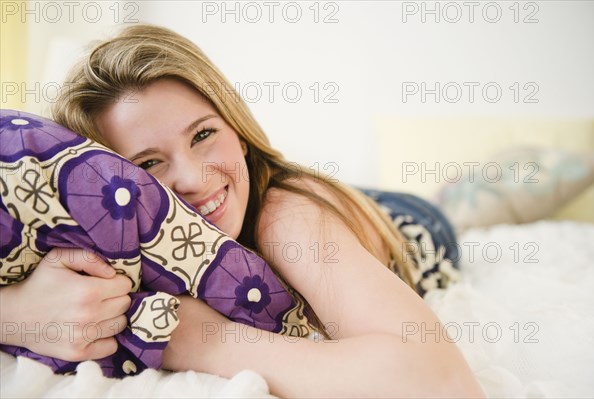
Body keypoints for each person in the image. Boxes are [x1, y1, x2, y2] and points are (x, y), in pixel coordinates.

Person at [0, 24, 484, 397]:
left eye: (204, 133)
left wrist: (206, 341)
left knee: (447, 207)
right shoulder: (90, 233)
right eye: (147, 164)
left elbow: (440, 382)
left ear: (236, 127)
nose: (193, 178)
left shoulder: (286, 216)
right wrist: (15, 312)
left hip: (408, 221)